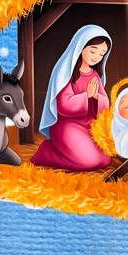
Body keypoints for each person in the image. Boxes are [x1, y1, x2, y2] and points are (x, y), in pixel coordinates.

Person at [31, 26, 112, 171]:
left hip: (89, 125)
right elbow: (63, 105)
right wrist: (86, 96)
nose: (96, 57)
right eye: (93, 51)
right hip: (67, 126)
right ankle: (47, 152)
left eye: (102, 54)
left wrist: (96, 97)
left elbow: (105, 104)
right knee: (88, 162)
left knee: (105, 160)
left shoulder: (94, 75)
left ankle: (69, 152)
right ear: (81, 46)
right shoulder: (66, 72)